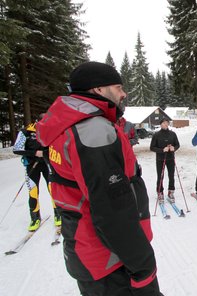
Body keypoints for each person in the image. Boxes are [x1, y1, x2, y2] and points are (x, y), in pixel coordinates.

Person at [36, 62, 164, 295]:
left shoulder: (73, 125)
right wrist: (143, 266)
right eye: (118, 87)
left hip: (92, 253)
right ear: (98, 89)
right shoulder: (92, 131)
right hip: (111, 259)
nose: (123, 93)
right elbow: (112, 210)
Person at [13, 116, 62, 231]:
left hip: (47, 164)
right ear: (37, 122)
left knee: (53, 189)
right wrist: (35, 153)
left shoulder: (51, 130)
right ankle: (35, 218)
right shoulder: (26, 132)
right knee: (33, 192)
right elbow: (16, 149)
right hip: (32, 165)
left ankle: (58, 214)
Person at [150, 118, 180, 204]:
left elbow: (177, 144)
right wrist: (162, 150)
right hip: (160, 159)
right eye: (164, 123)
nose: (166, 124)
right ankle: (160, 192)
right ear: (160, 124)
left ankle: (171, 192)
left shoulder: (172, 134)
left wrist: (174, 148)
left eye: (167, 123)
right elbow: (152, 147)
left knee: (171, 176)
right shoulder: (156, 135)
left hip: (170, 158)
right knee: (160, 176)